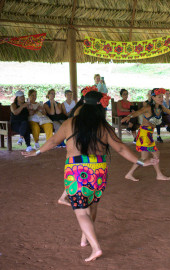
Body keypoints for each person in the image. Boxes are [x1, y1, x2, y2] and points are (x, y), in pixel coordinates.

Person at [22, 89, 157, 262]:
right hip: (99, 170)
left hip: (76, 170)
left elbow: (54, 141)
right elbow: (121, 148)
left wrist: (37, 152)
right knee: (92, 206)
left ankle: (96, 247)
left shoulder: (70, 123)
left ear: (83, 105)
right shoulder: (103, 126)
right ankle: (85, 237)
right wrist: (141, 162)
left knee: (81, 212)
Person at [122, 88, 170, 181]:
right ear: (153, 98)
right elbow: (137, 112)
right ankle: (159, 174)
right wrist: (128, 117)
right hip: (144, 134)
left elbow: (169, 111)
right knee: (156, 153)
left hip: (148, 134)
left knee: (144, 158)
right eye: (159, 97)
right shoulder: (148, 107)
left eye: (162, 97)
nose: (161, 99)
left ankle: (129, 173)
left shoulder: (160, 107)